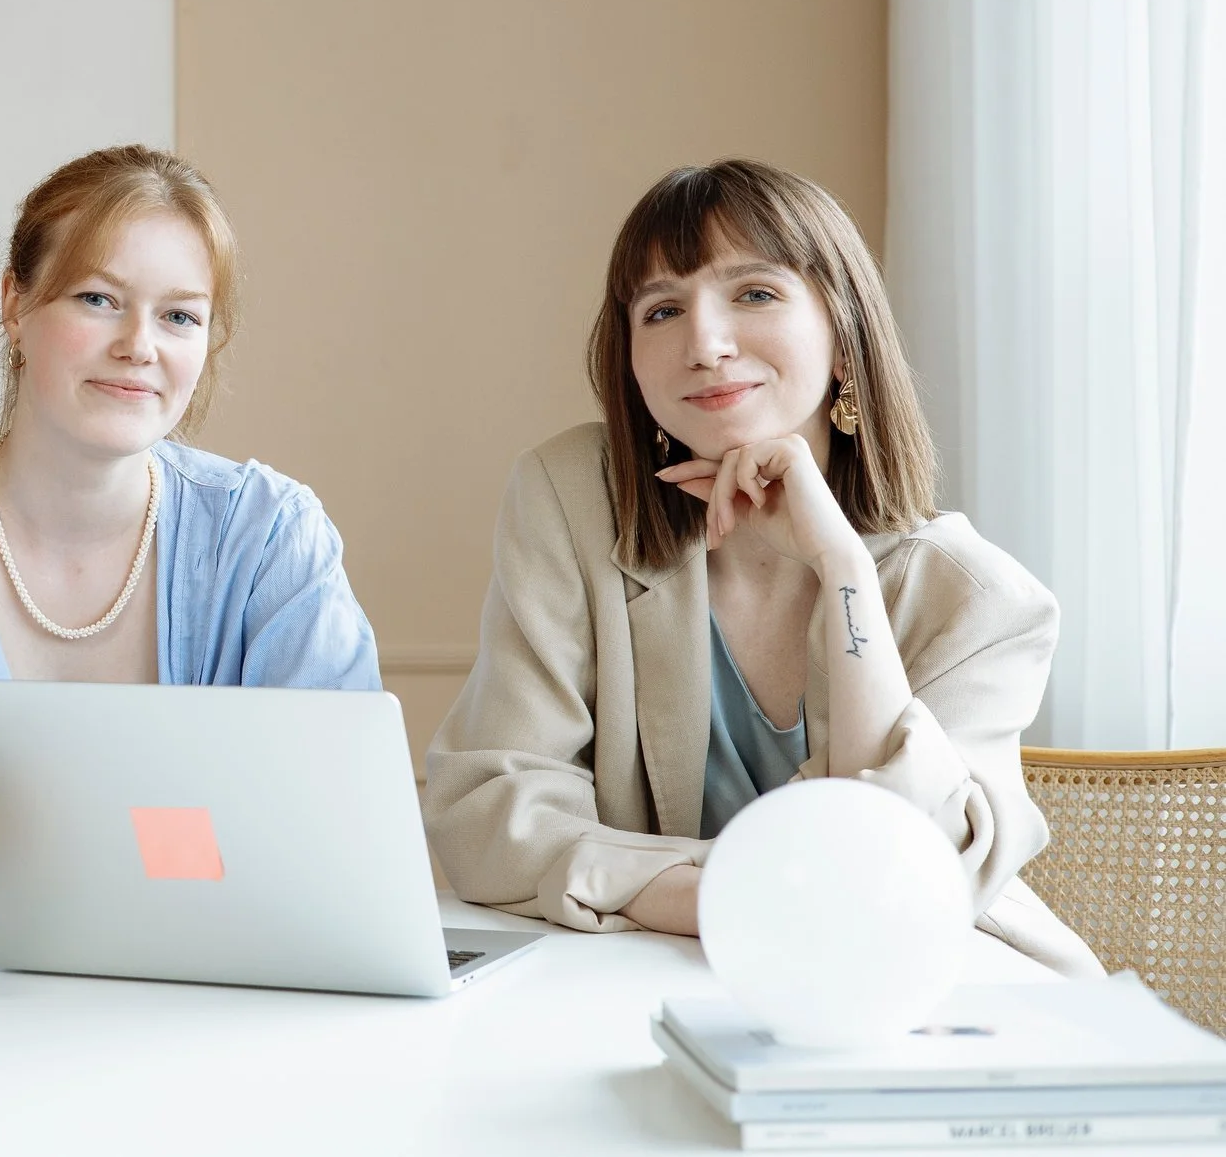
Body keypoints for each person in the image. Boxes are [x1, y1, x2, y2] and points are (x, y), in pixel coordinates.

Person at [423, 159, 1097, 974]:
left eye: (755, 293)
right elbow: (490, 808)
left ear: (844, 341)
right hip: (644, 978)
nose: (704, 344)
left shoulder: (980, 600)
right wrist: (719, 898)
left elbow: (904, 869)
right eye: (662, 309)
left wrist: (841, 563)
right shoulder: (571, 499)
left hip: (935, 998)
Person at [0, 145, 381, 898]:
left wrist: (47, 852)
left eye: (179, 315)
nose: (139, 345)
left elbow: (338, 820)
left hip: (221, 1001)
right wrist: (159, 854)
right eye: (98, 299)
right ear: (14, 306)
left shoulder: (270, 533)